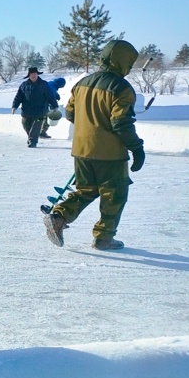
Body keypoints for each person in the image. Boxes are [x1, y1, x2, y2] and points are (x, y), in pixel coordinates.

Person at [43, 40, 145, 251]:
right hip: (109, 154)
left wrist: (89, 126)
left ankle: (59, 217)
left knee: (86, 190)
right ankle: (104, 237)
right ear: (122, 61)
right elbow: (121, 123)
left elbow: (70, 113)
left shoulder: (83, 83)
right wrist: (137, 148)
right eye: (130, 63)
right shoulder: (121, 88)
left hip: (81, 150)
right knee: (114, 194)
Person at [11, 66, 58, 147]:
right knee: (25, 124)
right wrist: (14, 106)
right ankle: (31, 138)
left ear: (37, 74)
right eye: (32, 74)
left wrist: (55, 106)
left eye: (35, 74)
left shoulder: (44, 84)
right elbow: (18, 97)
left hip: (40, 111)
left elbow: (50, 96)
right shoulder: (24, 85)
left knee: (37, 125)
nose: (33, 75)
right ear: (29, 75)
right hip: (27, 110)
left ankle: (32, 141)